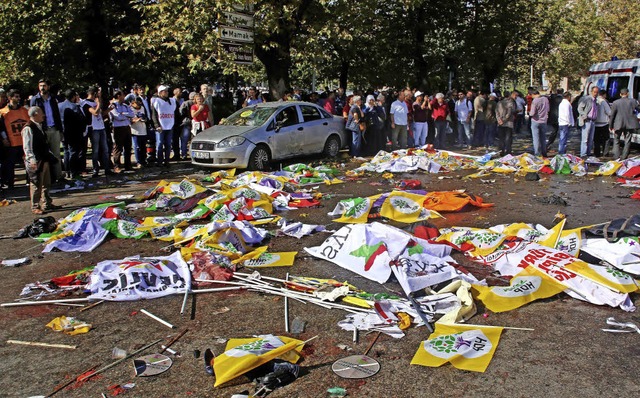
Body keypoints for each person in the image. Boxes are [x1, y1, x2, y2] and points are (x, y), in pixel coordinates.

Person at [22, 107, 60, 214]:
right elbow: (27, 147)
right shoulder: (28, 128)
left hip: (44, 158)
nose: (43, 115)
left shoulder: (39, 127)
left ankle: (47, 203)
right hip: (36, 160)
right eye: (41, 113)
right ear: (35, 114)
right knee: (36, 183)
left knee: (46, 183)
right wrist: (32, 161)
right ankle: (35, 206)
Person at [30, 79, 64, 182]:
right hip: (42, 130)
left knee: (56, 154)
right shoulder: (35, 99)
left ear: (48, 87)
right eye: (40, 86)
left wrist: (60, 129)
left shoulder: (53, 98)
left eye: (44, 85)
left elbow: (57, 114)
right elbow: (32, 115)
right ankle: (47, 178)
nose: (42, 88)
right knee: (43, 155)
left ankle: (58, 176)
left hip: (53, 128)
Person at [0, 89, 29, 188]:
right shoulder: (3, 112)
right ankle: (10, 183)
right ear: (10, 98)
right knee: (10, 164)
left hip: (24, 141)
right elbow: (1, 128)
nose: (18, 98)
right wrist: (4, 139)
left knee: (28, 161)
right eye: (16, 96)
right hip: (12, 142)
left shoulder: (24, 111)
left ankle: (29, 180)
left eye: (18, 96)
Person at [82, 87, 113, 177]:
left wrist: (108, 110)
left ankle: (107, 168)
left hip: (101, 127)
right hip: (94, 128)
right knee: (95, 150)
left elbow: (100, 113)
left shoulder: (96, 102)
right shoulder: (86, 103)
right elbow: (95, 112)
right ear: (94, 94)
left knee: (106, 149)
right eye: (98, 94)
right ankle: (96, 169)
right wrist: (98, 103)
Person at [58, 89, 85, 178]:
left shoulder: (59, 106)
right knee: (73, 152)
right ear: (73, 97)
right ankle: (74, 172)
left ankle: (67, 170)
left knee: (66, 151)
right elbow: (81, 119)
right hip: (73, 133)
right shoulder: (74, 106)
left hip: (63, 132)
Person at [609, 88, 640, 160]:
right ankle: (624, 157)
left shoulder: (615, 102)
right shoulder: (633, 101)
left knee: (616, 140)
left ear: (620, 94)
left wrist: (610, 125)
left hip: (618, 124)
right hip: (630, 124)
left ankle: (616, 157)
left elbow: (612, 115)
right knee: (627, 141)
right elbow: (639, 109)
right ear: (628, 94)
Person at [151, 85, 178, 167]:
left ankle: (167, 160)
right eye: (164, 91)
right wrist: (156, 125)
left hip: (169, 125)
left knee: (168, 144)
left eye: (167, 91)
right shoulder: (156, 101)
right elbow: (154, 115)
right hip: (160, 126)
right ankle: (159, 161)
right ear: (160, 92)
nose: (166, 92)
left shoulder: (172, 101)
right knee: (159, 144)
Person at [109, 90, 134, 171]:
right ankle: (117, 165)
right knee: (118, 147)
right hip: (118, 128)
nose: (124, 97)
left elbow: (132, 114)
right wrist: (125, 116)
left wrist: (124, 114)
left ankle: (128, 165)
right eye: (123, 95)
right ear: (118, 96)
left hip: (127, 127)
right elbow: (117, 116)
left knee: (128, 147)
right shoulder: (113, 106)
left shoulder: (125, 105)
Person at [577, 86, 599, 157]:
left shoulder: (595, 100)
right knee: (585, 139)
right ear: (591, 92)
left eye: (597, 92)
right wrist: (584, 115)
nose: (595, 94)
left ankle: (588, 153)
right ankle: (583, 154)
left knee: (590, 139)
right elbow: (579, 108)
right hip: (587, 121)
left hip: (593, 121)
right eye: (594, 92)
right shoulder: (587, 99)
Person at [496, 91, 518, 156]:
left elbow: (496, 112)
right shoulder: (510, 103)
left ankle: (501, 151)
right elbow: (509, 113)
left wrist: (499, 120)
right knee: (508, 138)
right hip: (508, 123)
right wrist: (504, 120)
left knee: (501, 138)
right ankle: (508, 151)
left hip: (500, 123)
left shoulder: (499, 103)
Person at [529, 90, 549, 157]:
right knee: (543, 138)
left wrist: (529, 113)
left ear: (533, 94)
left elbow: (532, 113)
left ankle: (537, 153)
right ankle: (544, 152)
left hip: (536, 121)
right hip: (544, 121)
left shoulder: (535, 101)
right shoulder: (545, 99)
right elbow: (548, 109)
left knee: (536, 138)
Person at [130, 98, 148, 167]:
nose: (137, 104)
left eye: (138, 102)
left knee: (143, 147)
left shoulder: (142, 108)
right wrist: (136, 120)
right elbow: (129, 120)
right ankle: (138, 162)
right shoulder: (130, 109)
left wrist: (143, 119)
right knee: (137, 147)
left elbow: (146, 118)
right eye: (135, 103)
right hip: (135, 131)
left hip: (143, 130)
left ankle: (143, 161)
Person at [593, 91, 611, 157]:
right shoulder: (603, 101)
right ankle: (605, 153)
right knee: (606, 139)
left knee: (596, 140)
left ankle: (597, 153)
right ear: (604, 95)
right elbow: (609, 112)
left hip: (595, 123)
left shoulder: (595, 100)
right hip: (604, 123)